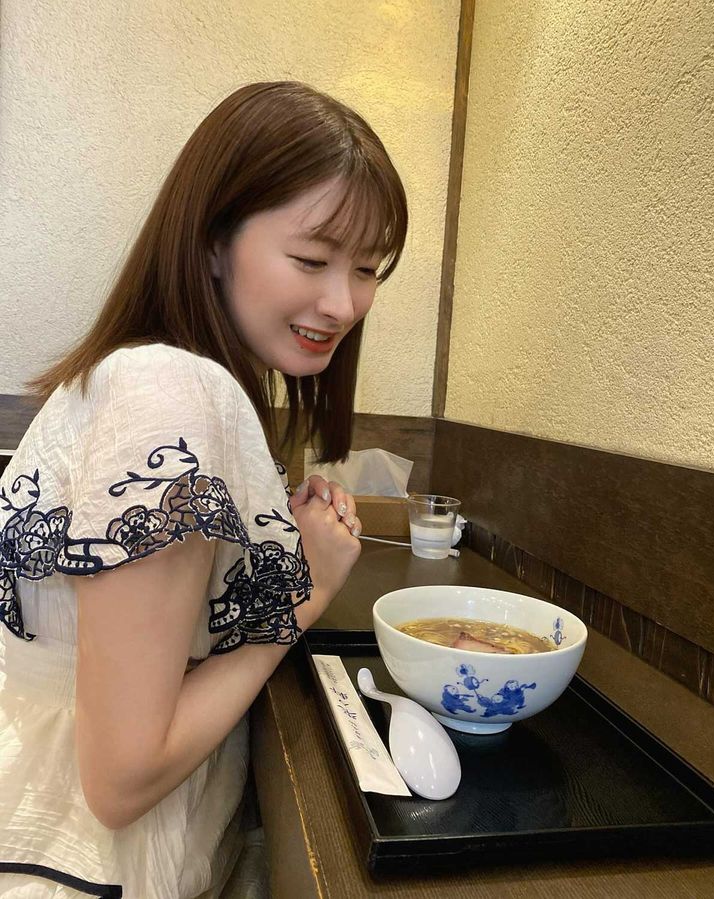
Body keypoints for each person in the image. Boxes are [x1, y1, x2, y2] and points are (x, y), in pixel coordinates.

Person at [0, 80, 408, 898]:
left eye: (368, 269)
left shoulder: (157, 378)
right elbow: (122, 777)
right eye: (312, 259)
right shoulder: (170, 392)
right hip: (80, 858)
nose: (344, 302)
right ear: (215, 241)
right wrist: (301, 593)